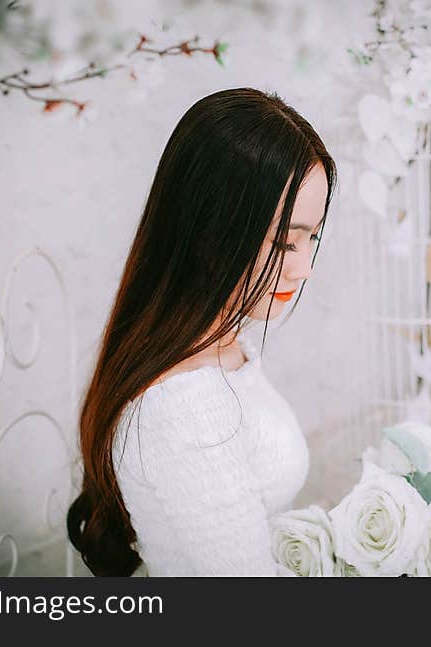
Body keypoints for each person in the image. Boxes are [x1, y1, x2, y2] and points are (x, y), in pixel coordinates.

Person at [67, 87, 337, 576]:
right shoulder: (184, 407)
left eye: (311, 237)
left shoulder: (230, 343)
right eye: (283, 242)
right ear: (210, 230)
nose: (303, 269)